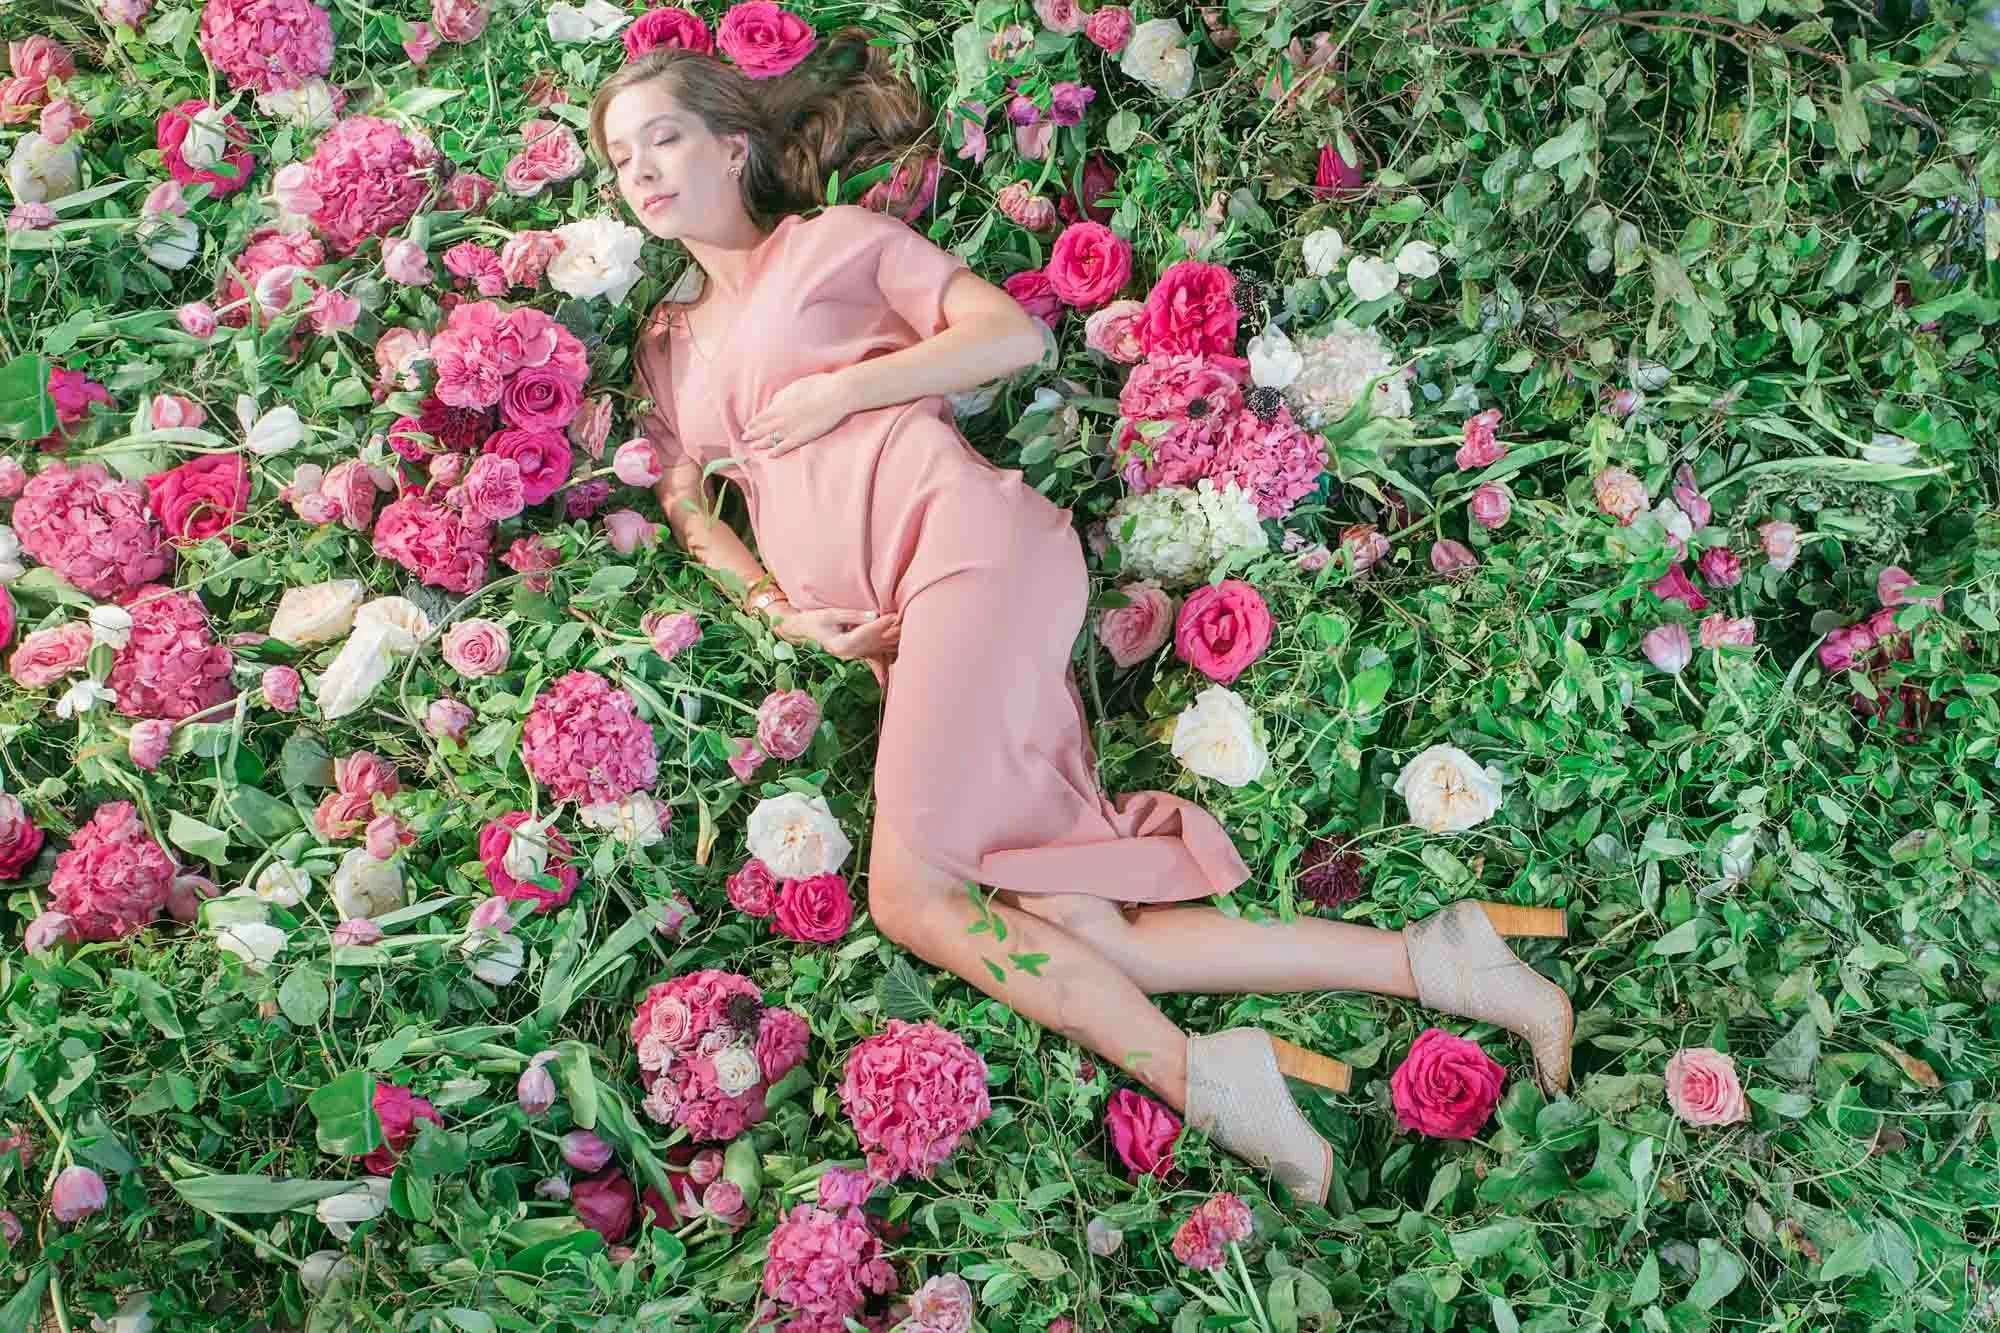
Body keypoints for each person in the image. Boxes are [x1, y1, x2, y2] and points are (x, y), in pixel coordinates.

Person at [591, 31, 1574, 1205]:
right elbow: (689, 507)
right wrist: (782, 616)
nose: (641, 170)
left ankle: (1202, 1074)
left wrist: (842, 387)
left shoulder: (834, 247)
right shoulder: (664, 344)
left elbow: (1013, 334)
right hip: (903, 628)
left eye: (663, 139)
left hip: (968, 550)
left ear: (732, 144)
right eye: (618, 158)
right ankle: (1441, 959)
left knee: (912, 900)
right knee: (1081, 926)